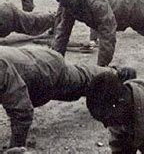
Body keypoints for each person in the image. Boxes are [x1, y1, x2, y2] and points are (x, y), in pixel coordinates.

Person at [0, 46, 136, 149]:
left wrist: (16, 147)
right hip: (28, 62)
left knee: (80, 83)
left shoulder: (1, 69)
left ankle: (118, 75)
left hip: (46, 69)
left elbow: (21, 111)